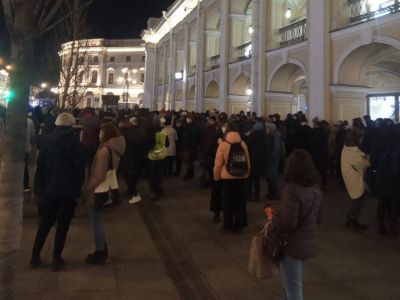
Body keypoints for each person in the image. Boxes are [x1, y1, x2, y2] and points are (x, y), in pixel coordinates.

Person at [31, 113, 86, 271]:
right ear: (71, 125)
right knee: (62, 226)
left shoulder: (46, 141)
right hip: (67, 190)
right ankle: (56, 257)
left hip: (48, 189)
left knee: (45, 223)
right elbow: (81, 163)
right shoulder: (73, 142)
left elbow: (39, 166)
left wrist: (38, 189)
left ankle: (35, 255)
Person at [270, 149, 321, 300]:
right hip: (307, 244)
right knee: (290, 285)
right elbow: (318, 218)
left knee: (293, 290)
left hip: (291, 246)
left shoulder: (291, 190)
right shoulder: (315, 189)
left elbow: (288, 223)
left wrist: (273, 217)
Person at [85, 122, 125, 265]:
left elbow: (99, 174)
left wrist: (88, 186)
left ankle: (100, 250)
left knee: (96, 220)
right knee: (98, 219)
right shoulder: (115, 148)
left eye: (102, 132)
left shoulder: (104, 150)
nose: (100, 134)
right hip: (108, 186)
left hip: (100, 189)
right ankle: (102, 248)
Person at [214, 123, 250, 233]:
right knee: (240, 201)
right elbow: (247, 160)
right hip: (241, 176)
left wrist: (216, 176)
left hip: (227, 177)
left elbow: (218, 162)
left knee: (228, 201)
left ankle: (228, 225)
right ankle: (240, 224)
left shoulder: (224, 144)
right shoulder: (242, 143)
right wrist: (246, 174)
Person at [341, 128, 370, 230]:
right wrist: (368, 158)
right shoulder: (354, 153)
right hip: (355, 178)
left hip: (350, 175)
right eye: (361, 137)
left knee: (355, 198)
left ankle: (350, 219)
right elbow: (364, 164)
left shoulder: (347, 148)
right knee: (357, 199)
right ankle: (353, 220)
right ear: (357, 139)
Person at [24, 112, 36, 192]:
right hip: (26, 147)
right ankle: (26, 185)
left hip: (14, 149)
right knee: (25, 166)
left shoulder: (11, 121)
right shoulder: (30, 121)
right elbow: (33, 135)